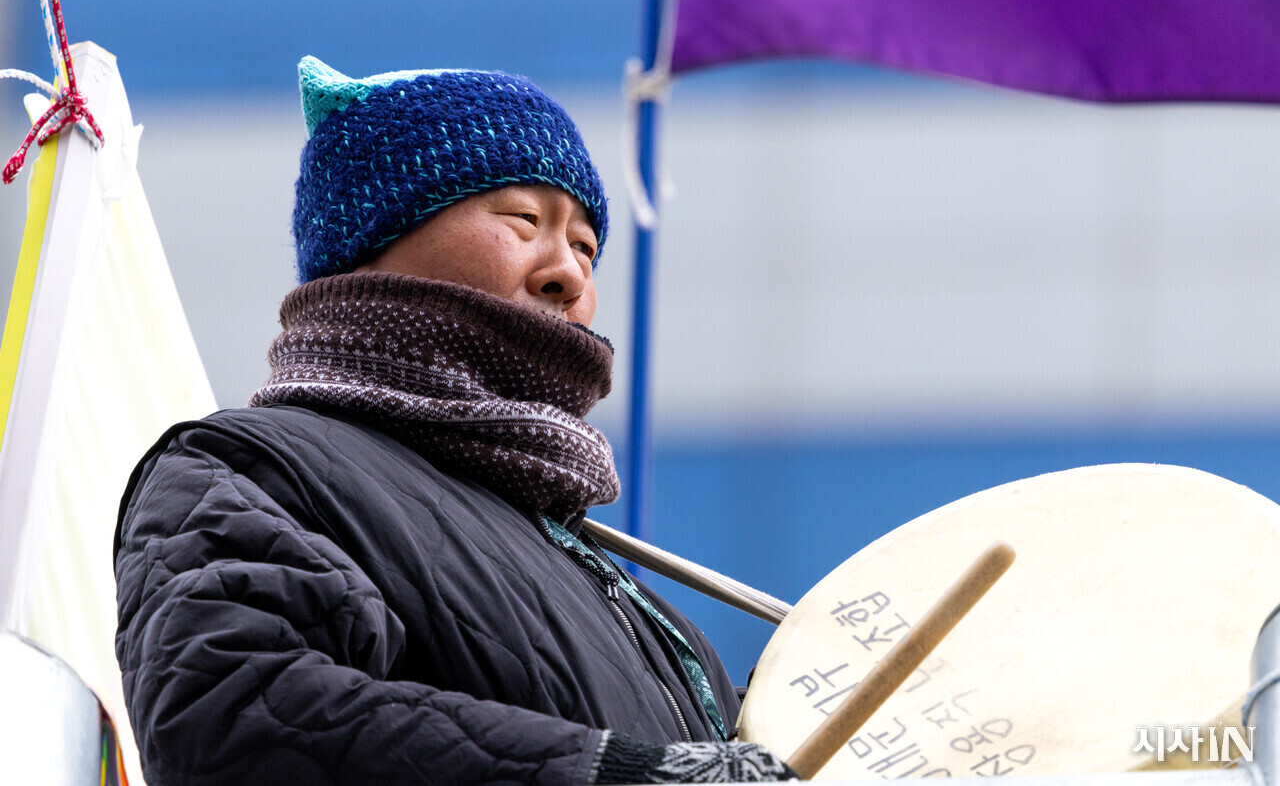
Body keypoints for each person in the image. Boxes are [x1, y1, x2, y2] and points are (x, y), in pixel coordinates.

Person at [113, 57, 797, 785]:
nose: (567, 270)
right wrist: (611, 775)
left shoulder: (632, 599)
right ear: (372, 241)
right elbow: (231, 717)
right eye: (526, 220)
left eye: (586, 247)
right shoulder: (253, 467)